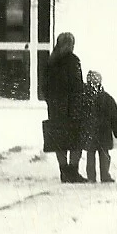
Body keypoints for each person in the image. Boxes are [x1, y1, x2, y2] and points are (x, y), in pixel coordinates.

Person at [42, 32, 86, 183]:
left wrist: (51, 101)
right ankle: (73, 171)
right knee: (76, 140)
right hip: (72, 107)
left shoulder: (51, 61)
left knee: (60, 141)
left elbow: (44, 87)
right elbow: (77, 85)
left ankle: (63, 171)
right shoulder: (73, 61)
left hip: (55, 109)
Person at [78, 71, 117, 183]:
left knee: (90, 155)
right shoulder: (107, 98)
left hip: (90, 131)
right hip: (104, 132)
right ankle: (104, 175)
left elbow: (79, 115)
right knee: (104, 154)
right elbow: (115, 117)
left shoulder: (84, 98)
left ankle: (91, 176)